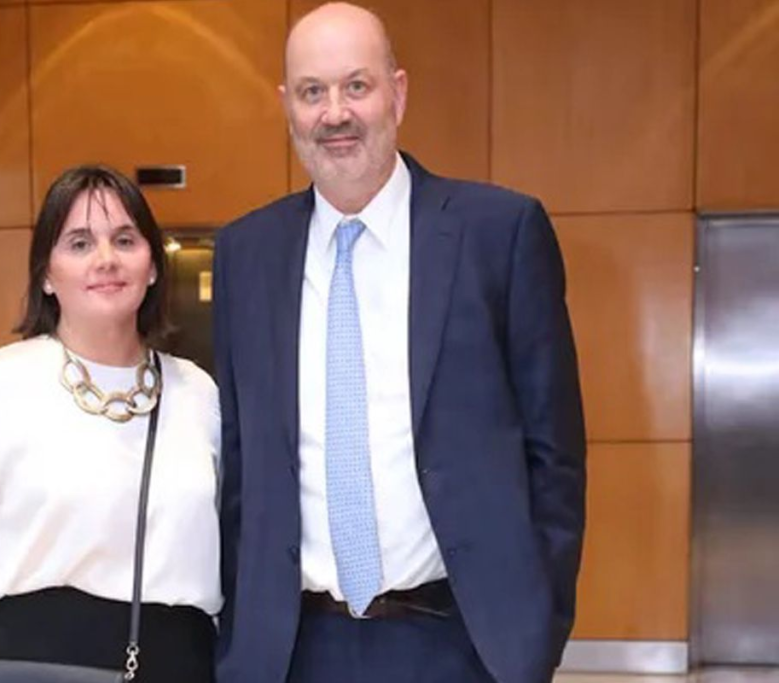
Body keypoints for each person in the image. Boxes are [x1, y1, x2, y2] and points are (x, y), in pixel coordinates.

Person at [212, 4, 586, 683]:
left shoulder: (498, 234)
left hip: (460, 644)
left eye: (356, 86)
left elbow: (553, 455)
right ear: (287, 106)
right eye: (312, 91)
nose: (335, 113)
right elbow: (238, 467)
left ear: (399, 93)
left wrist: (537, 630)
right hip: (293, 650)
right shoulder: (246, 254)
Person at [0, 165, 221, 683]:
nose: (106, 259)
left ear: (153, 267)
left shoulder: (198, 394)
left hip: (178, 662)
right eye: (79, 243)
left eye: (125, 240)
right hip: (35, 663)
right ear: (46, 274)